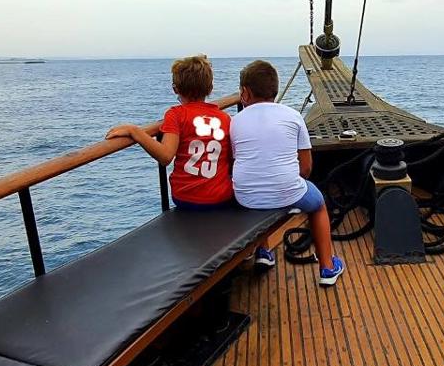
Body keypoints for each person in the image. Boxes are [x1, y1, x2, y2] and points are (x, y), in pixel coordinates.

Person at [231, 60, 345, 287]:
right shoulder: (293, 116)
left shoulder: (235, 121)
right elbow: (306, 168)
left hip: (244, 196)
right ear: (275, 89)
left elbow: (242, 160)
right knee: (319, 204)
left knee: (258, 190)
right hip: (287, 189)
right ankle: (327, 268)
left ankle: (264, 252)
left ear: (244, 93)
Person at [106, 54, 234, 211]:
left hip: (186, 199)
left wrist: (135, 132)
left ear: (175, 89)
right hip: (220, 197)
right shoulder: (224, 118)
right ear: (210, 88)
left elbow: (166, 156)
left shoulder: (176, 115)